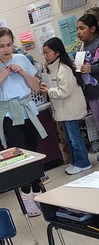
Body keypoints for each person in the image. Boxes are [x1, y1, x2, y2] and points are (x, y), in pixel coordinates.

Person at [0, 27, 47, 217]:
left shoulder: (22, 59)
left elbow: (36, 87)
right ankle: (27, 197)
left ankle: (39, 194)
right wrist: (0, 80)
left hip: (28, 112)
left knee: (34, 152)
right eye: (1, 46)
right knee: (21, 156)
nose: (6, 50)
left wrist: (24, 74)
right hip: (9, 115)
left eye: (9, 45)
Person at [39, 38, 91, 175]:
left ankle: (83, 163)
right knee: (69, 138)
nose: (45, 56)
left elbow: (64, 91)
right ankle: (75, 162)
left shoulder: (64, 69)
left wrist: (48, 91)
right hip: (63, 110)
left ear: (57, 53)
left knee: (75, 138)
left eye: (47, 53)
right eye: (43, 54)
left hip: (70, 109)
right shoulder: (53, 68)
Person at [76, 12, 99, 145]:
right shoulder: (81, 47)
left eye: (82, 28)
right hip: (90, 93)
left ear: (92, 29)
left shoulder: (97, 43)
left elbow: (93, 66)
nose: (78, 32)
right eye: (77, 29)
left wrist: (91, 68)